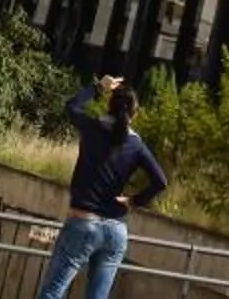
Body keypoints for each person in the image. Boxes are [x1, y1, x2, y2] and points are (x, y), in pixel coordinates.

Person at [35, 76, 168, 299]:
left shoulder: (92, 127)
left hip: (84, 223)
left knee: (52, 293)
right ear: (134, 114)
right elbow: (160, 181)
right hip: (116, 230)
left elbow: (72, 106)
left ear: (109, 105)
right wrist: (134, 200)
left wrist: (98, 86)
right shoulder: (136, 145)